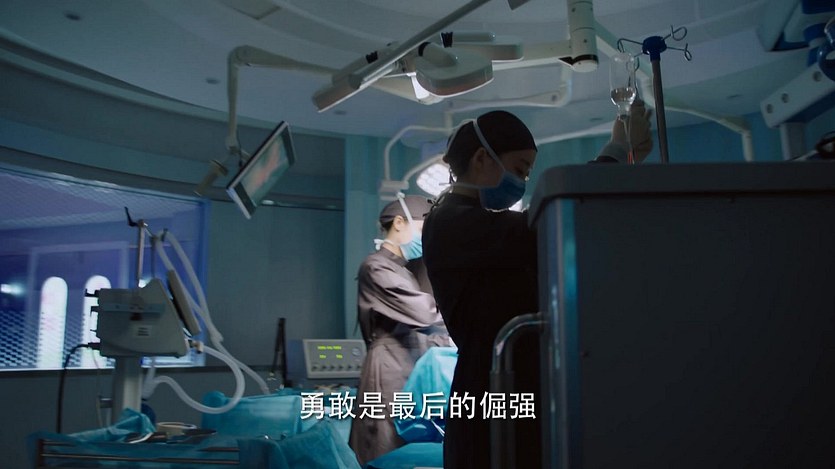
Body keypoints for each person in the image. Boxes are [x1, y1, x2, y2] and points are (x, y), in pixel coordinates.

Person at [422, 103, 652, 469]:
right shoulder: (449, 221)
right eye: (519, 170)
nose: (522, 183)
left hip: (509, 381)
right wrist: (614, 153)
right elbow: (547, 222)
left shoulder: (473, 222)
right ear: (481, 158)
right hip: (491, 389)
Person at [349, 194, 451, 465]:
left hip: (411, 363)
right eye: (422, 229)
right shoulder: (375, 267)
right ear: (398, 223)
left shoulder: (407, 270)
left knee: (412, 447)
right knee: (386, 444)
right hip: (389, 368)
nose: (426, 238)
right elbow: (425, 314)